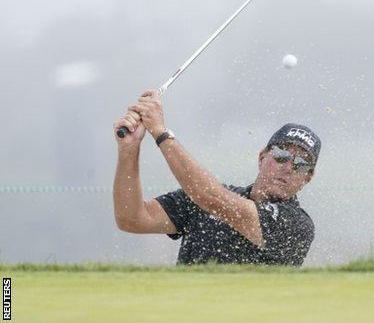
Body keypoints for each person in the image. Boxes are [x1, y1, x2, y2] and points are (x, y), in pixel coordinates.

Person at [113, 89, 320, 266]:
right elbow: (131, 219)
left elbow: (211, 197)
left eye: (301, 164)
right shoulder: (206, 199)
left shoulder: (297, 225)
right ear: (262, 157)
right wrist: (129, 149)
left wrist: (160, 132)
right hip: (182, 311)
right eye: (282, 156)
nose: (289, 167)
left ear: (306, 179)